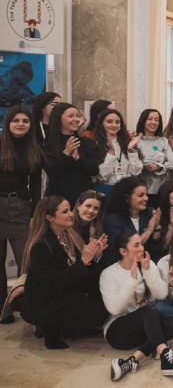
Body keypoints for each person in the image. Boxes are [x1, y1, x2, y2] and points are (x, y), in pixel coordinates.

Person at [100, 231, 173, 381]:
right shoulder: (109, 274)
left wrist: (148, 272)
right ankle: (166, 357)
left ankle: (131, 361)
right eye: (136, 245)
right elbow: (114, 309)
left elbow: (161, 294)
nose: (141, 248)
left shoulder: (147, 263)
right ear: (123, 251)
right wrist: (132, 281)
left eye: (142, 244)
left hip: (146, 328)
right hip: (118, 333)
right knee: (147, 311)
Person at [20, 196, 109, 348]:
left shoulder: (69, 236)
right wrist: (83, 261)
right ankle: (51, 328)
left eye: (70, 209)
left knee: (104, 298)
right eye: (65, 211)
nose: (70, 214)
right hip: (47, 301)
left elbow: (79, 272)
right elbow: (54, 283)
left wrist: (91, 258)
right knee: (99, 311)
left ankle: (68, 327)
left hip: (64, 292)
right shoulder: (40, 247)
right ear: (50, 218)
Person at [0, 107, 44, 323]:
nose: (20, 124)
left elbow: (36, 184)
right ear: (8, 123)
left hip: (21, 206)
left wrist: (35, 212)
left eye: (25, 120)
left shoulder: (32, 148)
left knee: (24, 262)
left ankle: (26, 308)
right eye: (15, 120)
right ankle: (3, 311)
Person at [42, 103, 99, 205]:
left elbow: (94, 170)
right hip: (57, 201)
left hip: (84, 200)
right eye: (70, 116)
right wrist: (66, 153)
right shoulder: (46, 146)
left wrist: (78, 159)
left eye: (77, 116)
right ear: (58, 118)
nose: (76, 119)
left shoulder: (87, 143)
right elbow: (53, 173)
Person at [103, 177, 159, 265]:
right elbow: (124, 249)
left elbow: (155, 246)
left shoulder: (149, 213)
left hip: (146, 262)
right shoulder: (112, 220)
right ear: (127, 198)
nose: (146, 198)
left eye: (146, 195)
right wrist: (148, 232)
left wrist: (157, 227)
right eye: (141, 195)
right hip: (122, 266)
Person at [135, 109, 173, 201]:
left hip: (161, 189)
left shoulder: (164, 141)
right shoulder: (136, 141)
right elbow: (137, 163)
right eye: (150, 119)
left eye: (156, 120)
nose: (153, 122)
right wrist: (161, 157)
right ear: (143, 120)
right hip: (141, 188)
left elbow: (171, 163)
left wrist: (159, 166)